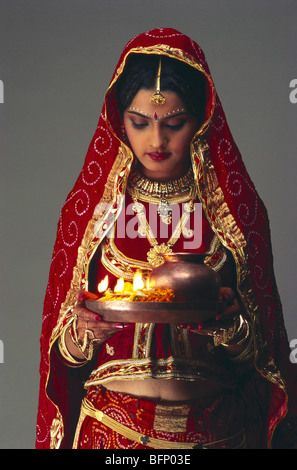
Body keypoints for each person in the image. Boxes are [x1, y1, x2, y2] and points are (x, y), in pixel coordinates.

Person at [36, 28, 297, 449]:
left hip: (215, 434)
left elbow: (264, 365)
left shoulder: (233, 215)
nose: (156, 141)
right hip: (109, 431)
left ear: (201, 120)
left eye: (174, 124)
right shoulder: (91, 213)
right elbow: (61, 357)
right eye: (139, 123)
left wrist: (231, 329)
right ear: (118, 119)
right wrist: (83, 334)